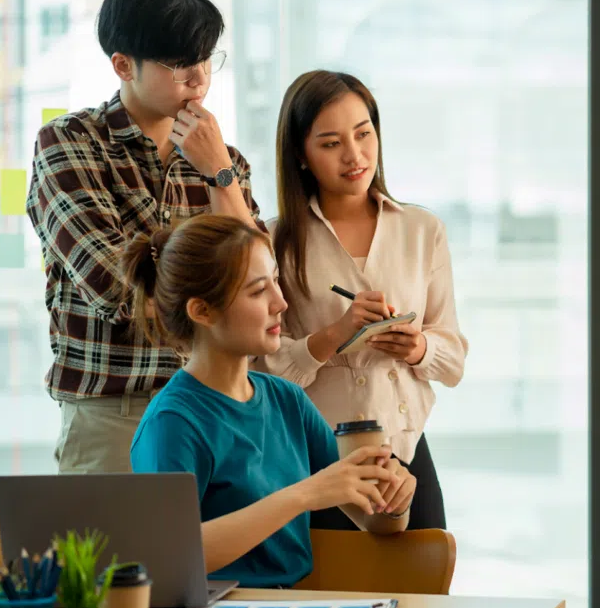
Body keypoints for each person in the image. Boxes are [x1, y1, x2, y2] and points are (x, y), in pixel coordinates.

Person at [26, 0, 266, 474]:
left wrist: (220, 177)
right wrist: (216, 298)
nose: (198, 79)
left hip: (219, 405)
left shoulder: (225, 161)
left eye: (205, 59)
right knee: (112, 554)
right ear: (122, 64)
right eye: (179, 65)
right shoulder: (71, 143)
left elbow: (260, 283)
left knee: (224, 553)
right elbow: (113, 282)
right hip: (117, 411)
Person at [126, 215, 416, 588]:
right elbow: (168, 558)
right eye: (258, 291)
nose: (280, 303)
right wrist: (303, 495)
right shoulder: (172, 423)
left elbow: (374, 519)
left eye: (275, 282)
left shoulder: (287, 400)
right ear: (202, 311)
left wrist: (395, 499)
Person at [255, 70, 467, 531]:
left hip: (405, 454)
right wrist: (337, 332)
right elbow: (263, 366)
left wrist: (417, 348)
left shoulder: (421, 230)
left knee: (423, 595)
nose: (354, 155)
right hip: (317, 462)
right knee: (326, 599)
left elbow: (452, 357)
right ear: (301, 155)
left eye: (364, 134)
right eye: (330, 143)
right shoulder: (274, 241)